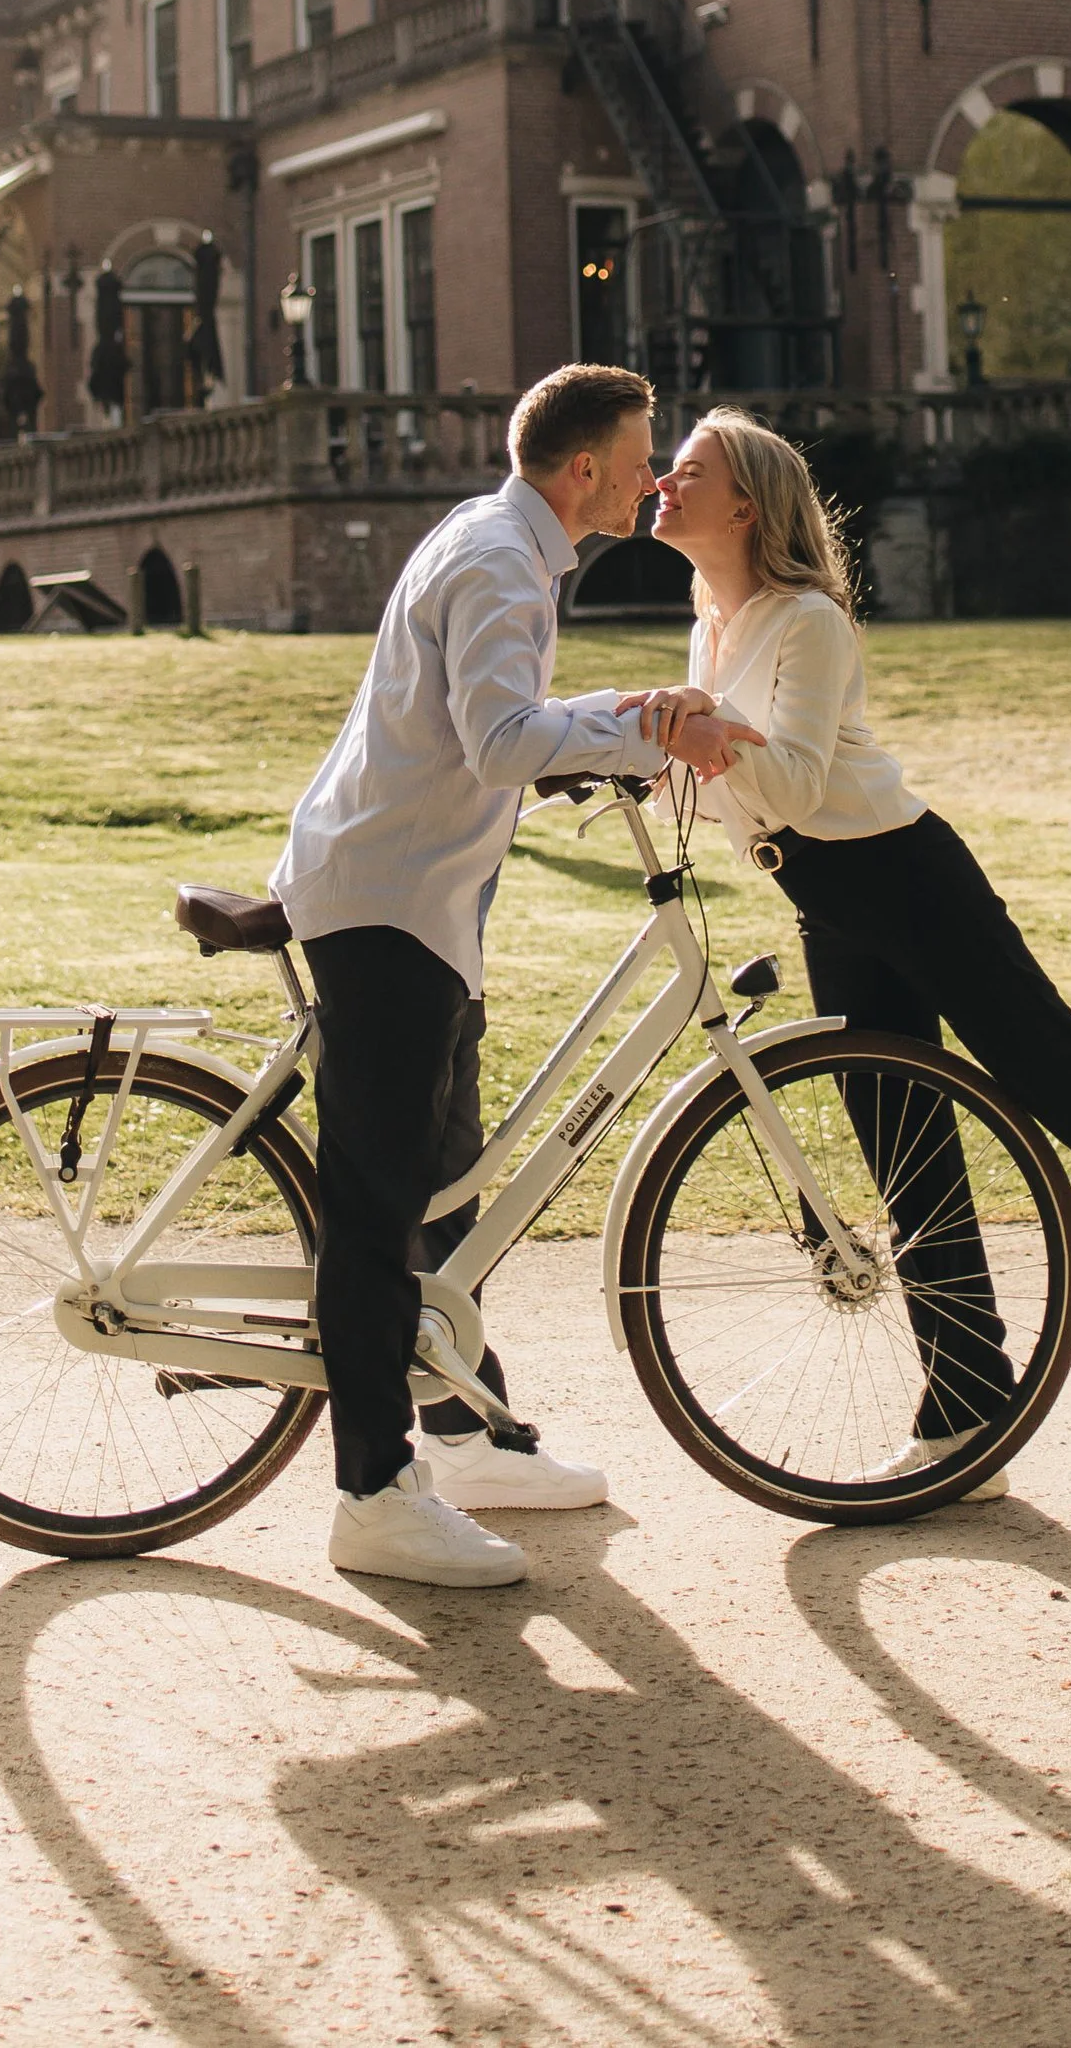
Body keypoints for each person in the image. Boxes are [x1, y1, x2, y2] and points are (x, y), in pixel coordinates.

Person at [642, 409, 1071, 1491]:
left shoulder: (809, 620)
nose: (663, 481)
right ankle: (968, 1401)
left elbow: (782, 778)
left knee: (1056, 1074)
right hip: (824, 892)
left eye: (688, 471)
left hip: (909, 879)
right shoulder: (711, 625)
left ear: (744, 504)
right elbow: (747, 788)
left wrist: (702, 736)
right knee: (904, 1143)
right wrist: (674, 754)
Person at [271, 364, 759, 1588]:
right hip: (385, 902)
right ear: (583, 467)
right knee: (380, 1205)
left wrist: (628, 711)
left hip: (416, 898)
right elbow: (500, 741)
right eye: (642, 455)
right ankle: (373, 1497)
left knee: (444, 1179)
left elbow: (499, 717)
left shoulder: (502, 542)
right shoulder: (498, 558)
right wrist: (648, 730)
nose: (652, 478)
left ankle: (460, 1432)